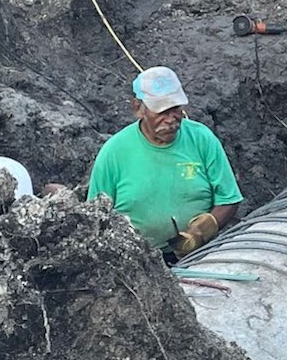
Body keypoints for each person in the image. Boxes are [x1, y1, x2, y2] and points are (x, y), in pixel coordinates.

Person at [88, 66, 243, 261]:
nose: (171, 119)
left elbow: (229, 199)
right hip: (139, 263)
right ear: (138, 108)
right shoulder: (114, 152)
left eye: (176, 109)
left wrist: (202, 230)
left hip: (203, 255)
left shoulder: (201, 139)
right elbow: (95, 218)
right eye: (161, 111)